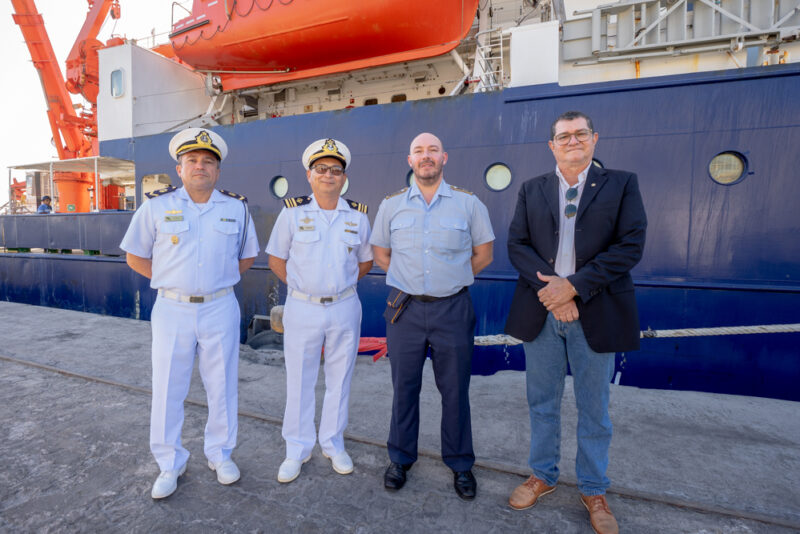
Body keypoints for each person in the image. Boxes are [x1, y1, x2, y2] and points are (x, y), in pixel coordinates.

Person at [504, 111, 647, 534]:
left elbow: (630, 245)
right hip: (544, 310)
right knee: (542, 403)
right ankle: (543, 475)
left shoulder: (622, 184)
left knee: (594, 409)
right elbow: (518, 245)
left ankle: (593, 488)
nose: (572, 140)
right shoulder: (532, 189)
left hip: (595, 309)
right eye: (563, 136)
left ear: (594, 139)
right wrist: (553, 291)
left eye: (580, 134)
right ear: (552, 145)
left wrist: (574, 288)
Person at [120, 128, 259, 499]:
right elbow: (135, 255)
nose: (201, 166)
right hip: (172, 308)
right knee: (168, 386)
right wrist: (173, 281)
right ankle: (170, 462)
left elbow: (246, 256)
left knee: (223, 384)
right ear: (179, 168)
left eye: (208, 161)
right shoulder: (155, 207)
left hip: (220, 306)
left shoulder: (236, 208)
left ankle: (220, 453)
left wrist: (215, 283)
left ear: (218, 171)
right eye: (193, 161)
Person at [370, 132, 494, 500]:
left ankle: (459, 463)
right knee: (403, 387)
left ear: (444, 158)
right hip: (405, 309)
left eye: (433, 151)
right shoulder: (391, 206)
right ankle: (400, 457)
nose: (426, 156)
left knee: (455, 390)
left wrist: (448, 280)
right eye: (419, 151)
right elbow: (381, 254)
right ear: (410, 160)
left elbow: (483, 254)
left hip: (452, 309)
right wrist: (412, 281)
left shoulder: (468, 204)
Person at [266, 138, 373, 483]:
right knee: (299, 379)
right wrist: (302, 288)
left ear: (344, 178)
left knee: (340, 379)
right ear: (309, 175)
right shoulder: (292, 213)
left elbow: (366, 260)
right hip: (303, 308)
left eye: (336, 170)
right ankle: (296, 449)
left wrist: (338, 287)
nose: (329, 175)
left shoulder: (357, 216)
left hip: (344, 306)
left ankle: (333, 442)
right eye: (322, 169)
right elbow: (276, 259)